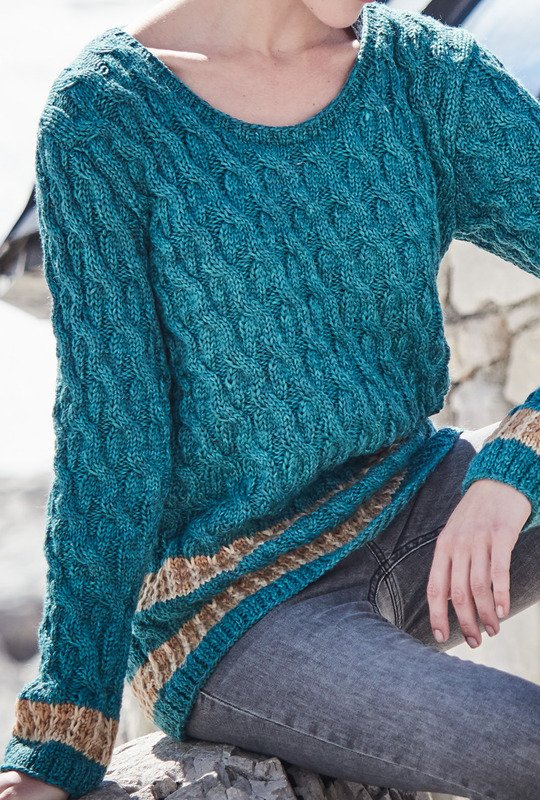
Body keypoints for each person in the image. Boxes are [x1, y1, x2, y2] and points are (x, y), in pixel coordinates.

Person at [1, 1, 539, 798]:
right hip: (233, 610)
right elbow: (112, 443)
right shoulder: (106, 117)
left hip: (417, 500)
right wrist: (59, 736)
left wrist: (518, 460)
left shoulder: (425, 74)